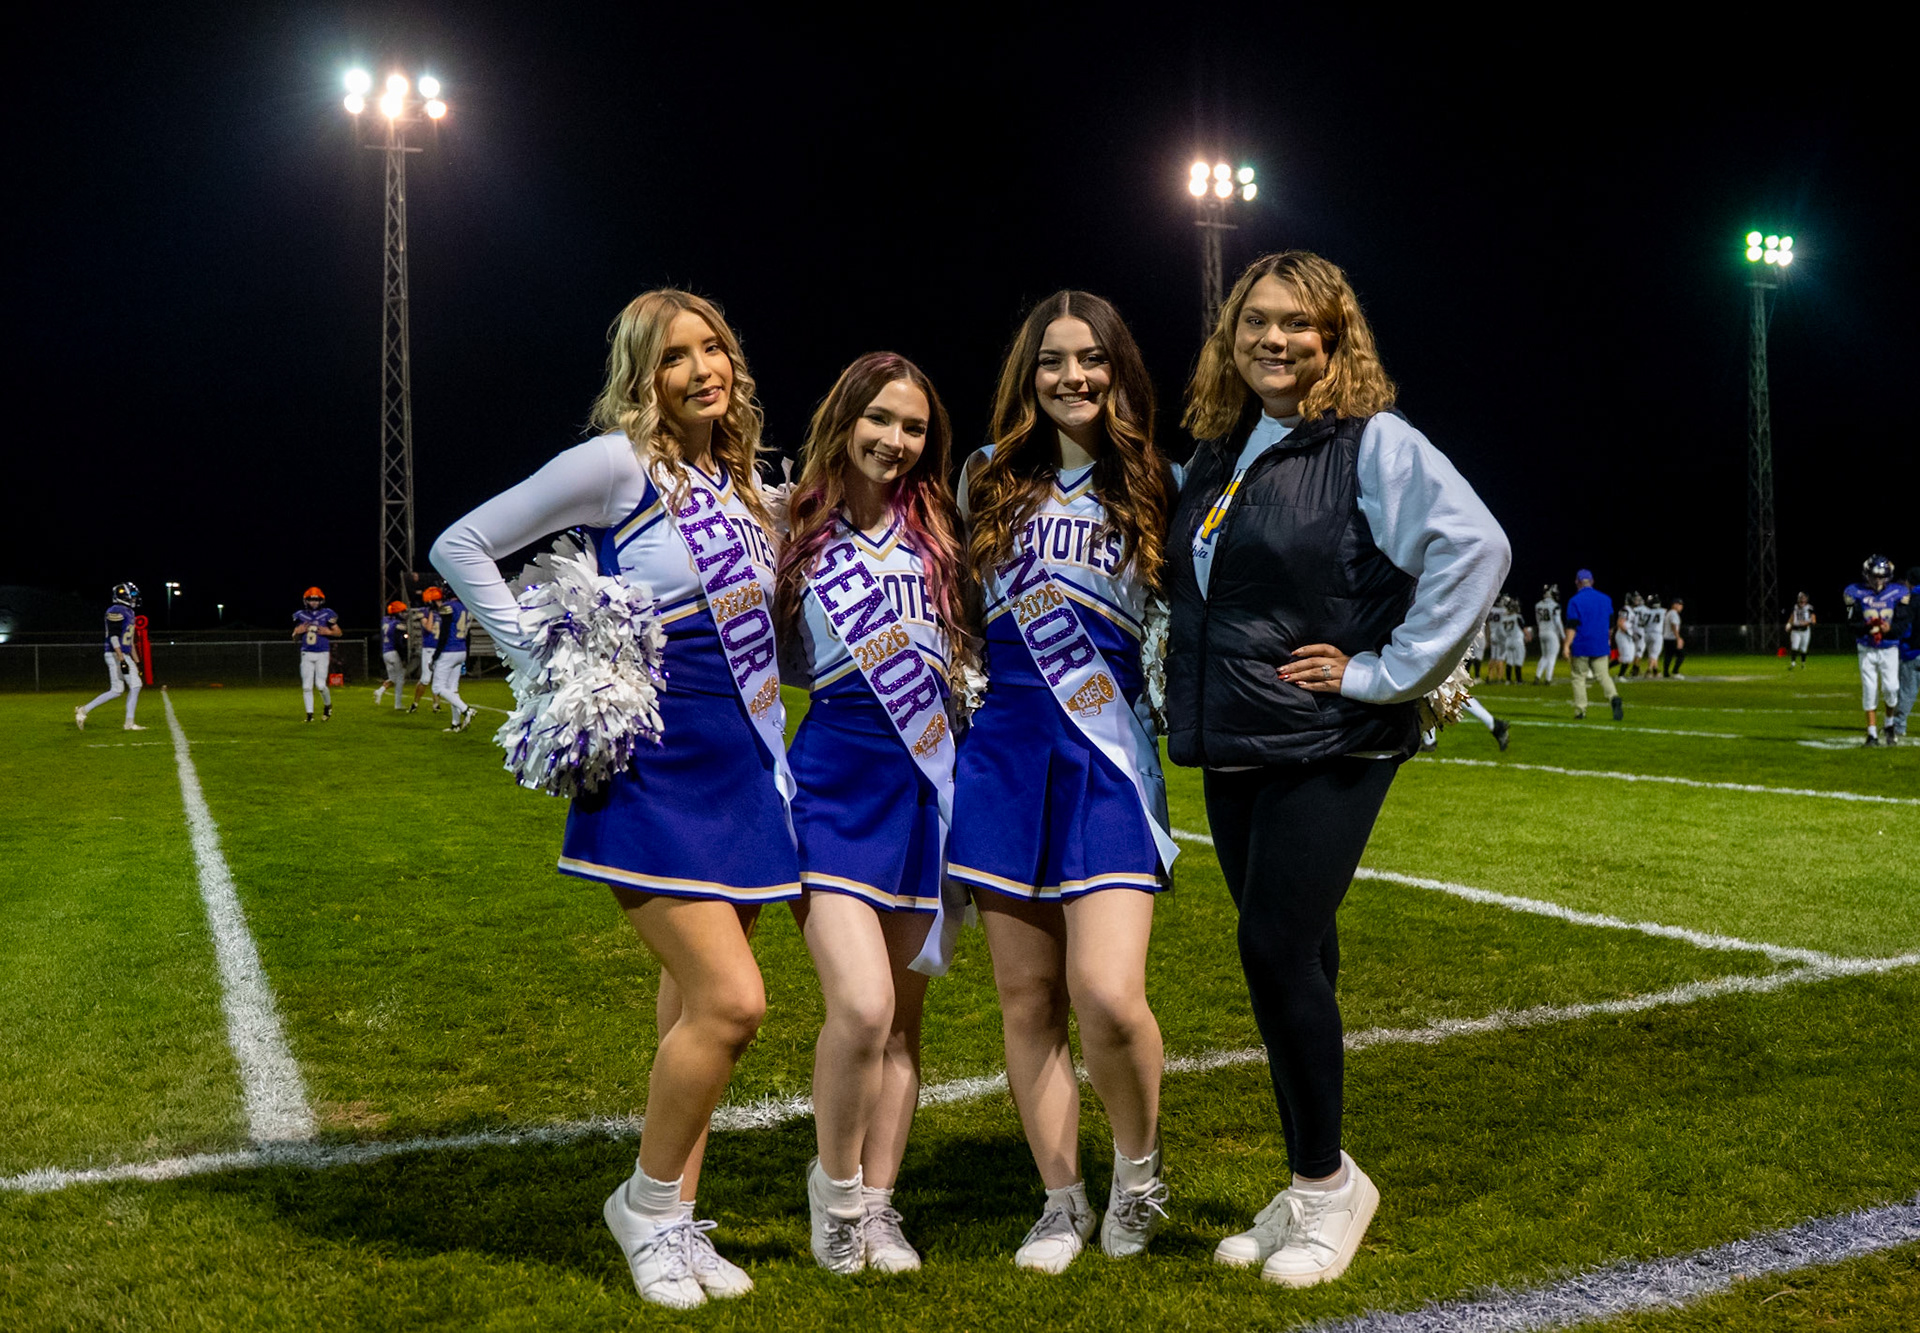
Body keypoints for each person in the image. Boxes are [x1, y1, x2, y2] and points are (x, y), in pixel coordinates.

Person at [431, 289, 794, 1308]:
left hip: (744, 763)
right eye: (675, 356)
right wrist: (546, 661)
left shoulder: (741, 485)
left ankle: (676, 1219)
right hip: (657, 767)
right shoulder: (615, 465)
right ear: (644, 375)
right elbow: (461, 544)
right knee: (732, 1003)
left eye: (713, 347)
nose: (702, 368)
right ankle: (641, 1207)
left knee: (690, 1013)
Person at [1167, 251, 1507, 1288]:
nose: (1273, 339)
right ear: (1230, 336)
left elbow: (1476, 547)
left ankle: (1325, 1186)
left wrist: (1386, 673)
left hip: (1332, 735)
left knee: (1273, 947)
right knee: (1296, 957)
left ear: (1334, 338)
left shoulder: (1374, 441)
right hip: (1238, 736)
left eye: (1296, 323)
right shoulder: (1222, 449)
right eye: (1254, 321)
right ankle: (1309, 1182)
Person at [949, 290, 1180, 1275]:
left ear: (1118, 369)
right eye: (1052, 360)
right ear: (1028, 373)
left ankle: (1138, 1175)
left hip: (1109, 757)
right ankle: (1060, 1200)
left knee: (1109, 994)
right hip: (1004, 756)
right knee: (1028, 998)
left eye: (1090, 359)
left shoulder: (1160, 482)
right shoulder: (985, 478)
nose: (1071, 376)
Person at [774, 352, 969, 1276]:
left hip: (921, 796)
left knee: (900, 1025)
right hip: (829, 788)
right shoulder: (790, 526)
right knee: (860, 1005)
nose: (896, 440)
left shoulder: (941, 535)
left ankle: (880, 1206)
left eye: (915, 427)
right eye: (880, 419)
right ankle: (838, 1193)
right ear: (845, 418)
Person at [1843, 554, 1912, 746]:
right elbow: (1851, 624)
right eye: (1874, 575)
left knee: (1891, 688)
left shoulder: (1898, 592)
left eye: (1881, 576)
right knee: (1869, 689)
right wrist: (1868, 627)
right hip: (1866, 647)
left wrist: (1890, 629)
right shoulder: (1855, 592)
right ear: (1867, 574)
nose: (1878, 580)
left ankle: (1889, 724)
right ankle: (1872, 734)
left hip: (1889, 648)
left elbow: (1903, 623)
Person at [75, 582, 146, 731]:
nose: (134, 598)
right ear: (123, 595)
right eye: (132, 595)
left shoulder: (129, 612)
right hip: (116, 653)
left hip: (121, 653)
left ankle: (83, 710)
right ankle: (129, 723)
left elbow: (130, 641)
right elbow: (114, 636)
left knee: (116, 690)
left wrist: (137, 661)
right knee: (135, 685)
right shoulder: (116, 610)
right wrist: (121, 658)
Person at [1563, 571, 1623, 719]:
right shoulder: (1605, 599)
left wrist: (1566, 645)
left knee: (1579, 677)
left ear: (1577, 582)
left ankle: (1580, 710)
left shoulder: (1575, 601)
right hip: (1600, 644)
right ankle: (1614, 697)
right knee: (1603, 675)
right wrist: (1607, 640)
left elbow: (1572, 625)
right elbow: (1611, 625)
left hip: (1581, 644)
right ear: (1592, 581)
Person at [431, 586, 478, 732]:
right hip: (461, 650)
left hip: (449, 651)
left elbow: (444, 634)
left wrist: (435, 655)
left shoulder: (448, 607)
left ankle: (466, 710)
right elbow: (469, 635)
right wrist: (466, 654)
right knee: (452, 689)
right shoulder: (466, 607)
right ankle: (455, 724)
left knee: (437, 687)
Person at [293, 586, 341, 722]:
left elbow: (339, 633)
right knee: (306, 686)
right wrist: (296, 633)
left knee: (320, 685)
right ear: (306, 600)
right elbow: (294, 638)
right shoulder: (300, 615)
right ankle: (309, 715)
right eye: (311, 599)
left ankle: (327, 706)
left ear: (321, 601)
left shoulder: (327, 613)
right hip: (306, 653)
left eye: (316, 599)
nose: (313, 602)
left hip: (322, 653)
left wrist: (329, 632)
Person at [1888, 567, 1920, 741]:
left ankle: (1899, 727)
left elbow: (1906, 628)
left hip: (1912, 652)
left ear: (1909, 582)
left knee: (1907, 692)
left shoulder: (1910, 600)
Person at [407, 587, 442, 715]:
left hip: (440, 648)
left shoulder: (443, 611)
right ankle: (415, 703)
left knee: (439, 678)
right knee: (426, 679)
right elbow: (428, 628)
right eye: (437, 600)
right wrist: (432, 612)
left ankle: (436, 704)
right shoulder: (424, 612)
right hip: (429, 649)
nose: (440, 603)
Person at [374, 601, 409, 708]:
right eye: (402, 611)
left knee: (393, 679)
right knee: (400, 679)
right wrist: (403, 657)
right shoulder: (398, 624)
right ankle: (398, 704)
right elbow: (399, 642)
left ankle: (380, 691)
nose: (404, 614)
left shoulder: (385, 620)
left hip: (385, 652)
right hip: (394, 652)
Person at [1534, 584, 1563, 685]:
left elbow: (1538, 621)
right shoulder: (1554, 605)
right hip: (1551, 633)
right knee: (1552, 657)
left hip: (1542, 632)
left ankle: (1537, 677)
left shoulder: (1538, 605)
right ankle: (1548, 679)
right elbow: (1558, 622)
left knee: (1544, 656)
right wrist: (1563, 635)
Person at [1786, 592, 1816, 669]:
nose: (1802, 600)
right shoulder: (1795, 607)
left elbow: (1813, 620)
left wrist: (1806, 622)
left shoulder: (1810, 608)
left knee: (1803, 649)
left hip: (1805, 630)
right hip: (1795, 630)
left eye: (1804, 598)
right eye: (1801, 598)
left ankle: (1803, 663)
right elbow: (1792, 617)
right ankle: (1793, 663)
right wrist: (1789, 624)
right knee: (1795, 646)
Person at [1659, 597, 1687, 677]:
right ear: (1675, 605)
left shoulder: (1669, 613)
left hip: (1667, 638)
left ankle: (1666, 673)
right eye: (1679, 605)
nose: (1681, 607)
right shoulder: (1673, 613)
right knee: (1681, 655)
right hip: (1672, 638)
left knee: (1668, 656)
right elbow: (1673, 626)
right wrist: (1678, 638)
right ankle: (1675, 671)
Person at [1615, 593, 1641, 678]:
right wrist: (1629, 633)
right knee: (1626, 656)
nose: (1637, 601)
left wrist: (1633, 633)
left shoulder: (1632, 610)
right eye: (1635, 599)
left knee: (1630, 657)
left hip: (1628, 635)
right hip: (1622, 635)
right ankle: (1620, 675)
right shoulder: (1625, 609)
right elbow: (1620, 623)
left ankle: (1605, 671)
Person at [1640, 591, 1664, 677]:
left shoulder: (1646, 612)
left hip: (1646, 634)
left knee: (1652, 654)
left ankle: (1655, 670)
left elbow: (1642, 623)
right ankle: (1649, 670)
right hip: (1657, 634)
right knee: (1654, 654)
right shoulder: (1662, 611)